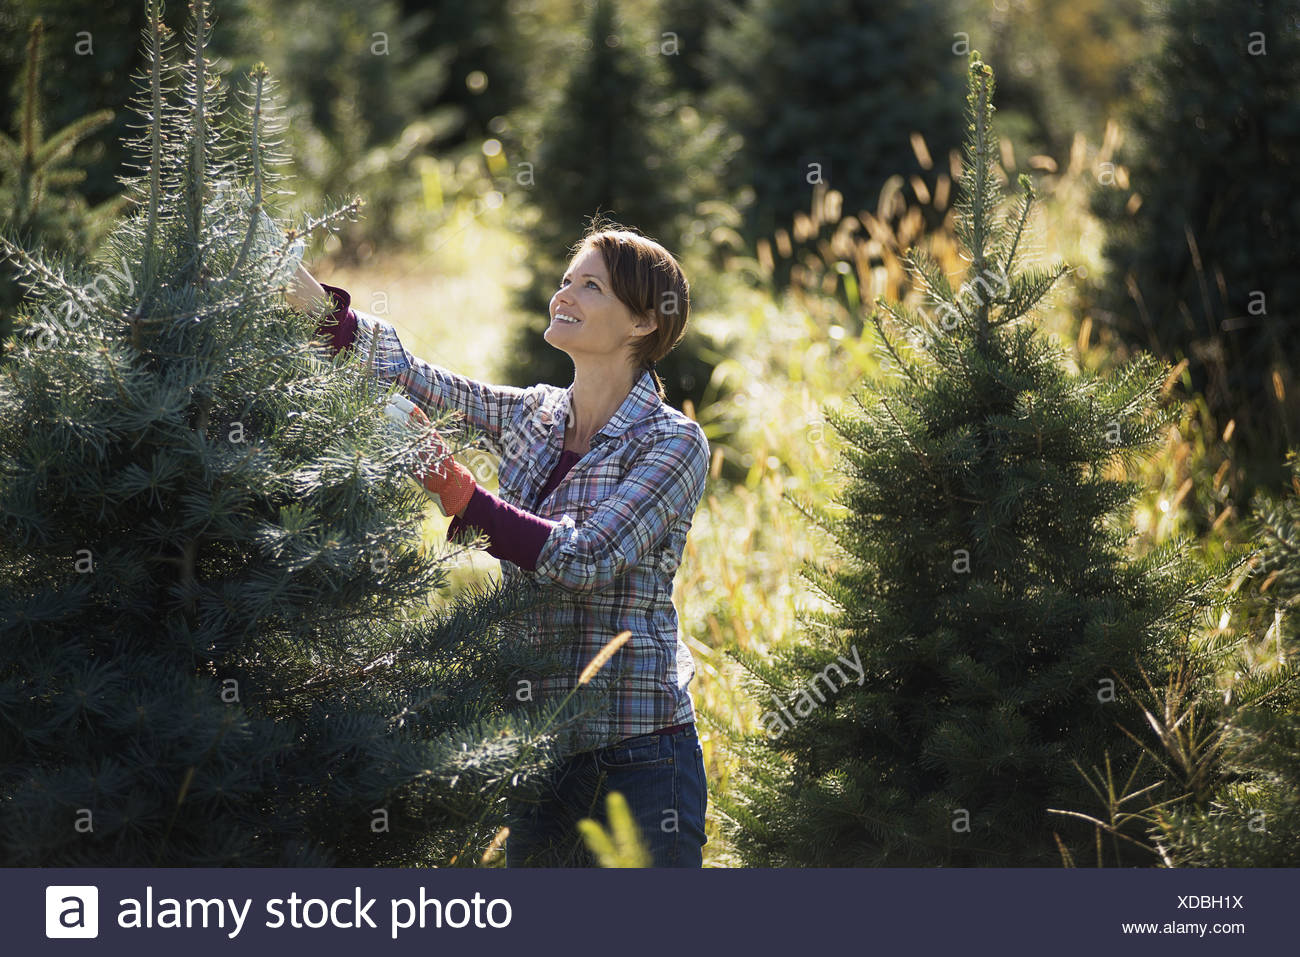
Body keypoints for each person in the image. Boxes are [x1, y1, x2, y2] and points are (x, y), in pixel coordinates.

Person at [287, 225, 711, 867]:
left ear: (645, 323)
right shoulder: (535, 416)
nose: (563, 293)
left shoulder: (673, 443)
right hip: (538, 750)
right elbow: (412, 377)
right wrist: (307, 299)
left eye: (590, 285)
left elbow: (586, 557)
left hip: (640, 756)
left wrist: (459, 492)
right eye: (567, 279)